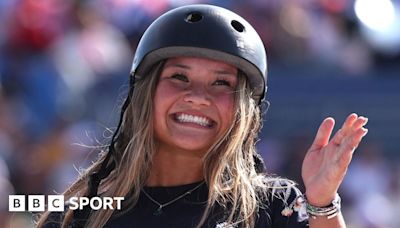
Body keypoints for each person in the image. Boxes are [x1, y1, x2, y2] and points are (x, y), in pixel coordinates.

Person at [36, 4, 368, 228]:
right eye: (179, 77)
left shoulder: (275, 207)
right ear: (144, 94)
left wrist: (323, 204)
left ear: (243, 109)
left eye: (221, 83)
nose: (197, 96)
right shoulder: (79, 216)